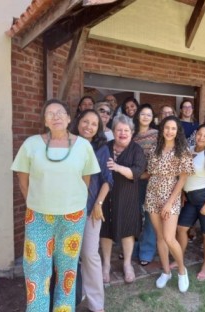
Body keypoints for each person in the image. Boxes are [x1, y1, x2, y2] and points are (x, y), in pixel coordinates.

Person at [11, 99, 99, 311]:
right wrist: (37, 201)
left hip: (72, 216)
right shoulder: (31, 144)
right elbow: (23, 181)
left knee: (67, 270)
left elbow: (85, 180)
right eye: (50, 113)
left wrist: (71, 200)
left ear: (69, 118)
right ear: (45, 121)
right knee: (36, 269)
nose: (56, 116)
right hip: (39, 216)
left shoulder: (83, 146)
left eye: (60, 112)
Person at [145, 116, 194, 293]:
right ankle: (166, 272)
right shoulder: (154, 148)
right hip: (152, 194)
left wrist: (169, 203)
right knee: (160, 237)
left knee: (169, 238)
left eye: (173, 128)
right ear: (162, 129)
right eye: (167, 128)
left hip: (170, 195)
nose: (169, 131)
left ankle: (182, 271)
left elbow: (182, 178)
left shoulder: (182, 150)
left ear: (178, 131)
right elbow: (149, 172)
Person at [70, 109, 113, 312]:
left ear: (98, 129)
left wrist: (98, 204)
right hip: (65, 210)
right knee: (67, 258)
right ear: (78, 123)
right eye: (85, 121)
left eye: (94, 124)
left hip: (90, 210)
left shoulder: (101, 149)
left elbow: (107, 180)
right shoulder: (65, 144)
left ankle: (97, 306)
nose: (88, 126)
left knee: (89, 255)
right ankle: (69, 301)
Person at [100, 114, 146, 284]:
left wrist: (117, 167)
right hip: (106, 197)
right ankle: (105, 265)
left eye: (126, 130)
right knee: (105, 230)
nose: (122, 133)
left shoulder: (136, 150)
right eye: (119, 130)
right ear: (113, 132)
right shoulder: (105, 147)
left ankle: (127, 264)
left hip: (127, 196)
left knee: (127, 230)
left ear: (132, 132)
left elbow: (136, 172)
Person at [176, 124, 205, 282]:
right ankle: (179, 258)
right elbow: (183, 175)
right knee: (181, 228)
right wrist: (182, 193)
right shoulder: (188, 149)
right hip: (190, 198)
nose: (201, 138)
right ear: (196, 134)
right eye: (200, 134)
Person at [132, 104, 158, 266]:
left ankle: (147, 251)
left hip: (151, 179)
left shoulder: (157, 134)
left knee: (150, 216)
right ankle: (133, 249)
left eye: (149, 114)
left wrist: (148, 173)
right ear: (138, 115)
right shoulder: (131, 133)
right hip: (133, 180)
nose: (146, 117)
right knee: (134, 216)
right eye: (143, 114)